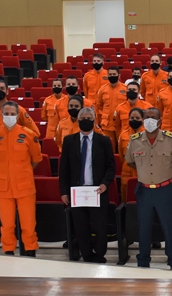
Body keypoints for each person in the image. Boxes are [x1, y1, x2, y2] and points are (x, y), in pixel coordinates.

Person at [125, 107, 172, 269]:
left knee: (169, 227)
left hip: (164, 189)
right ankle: (143, 261)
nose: (149, 120)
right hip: (144, 190)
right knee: (143, 228)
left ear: (160, 121)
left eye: (153, 117)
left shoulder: (170, 139)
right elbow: (130, 161)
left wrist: (166, 171)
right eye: (147, 117)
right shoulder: (135, 140)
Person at [59, 107, 115, 263]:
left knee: (99, 226)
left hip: (97, 190)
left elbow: (111, 166)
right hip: (77, 192)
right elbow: (64, 168)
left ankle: (99, 254)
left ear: (94, 119)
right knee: (81, 226)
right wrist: (64, 191)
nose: (86, 120)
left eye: (89, 117)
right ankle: (87, 254)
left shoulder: (103, 141)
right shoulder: (69, 141)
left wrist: (105, 183)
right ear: (78, 120)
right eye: (82, 117)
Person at [0, 101, 42, 255]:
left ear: (18, 116)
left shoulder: (29, 135)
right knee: (7, 224)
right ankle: (8, 251)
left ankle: (30, 250)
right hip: (4, 188)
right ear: (1, 115)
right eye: (6, 114)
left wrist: (23, 171)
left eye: (12, 114)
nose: (9, 116)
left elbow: (36, 159)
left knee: (28, 223)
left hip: (25, 185)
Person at [0, 79, 39, 144]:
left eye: (2, 88)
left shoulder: (18, 110)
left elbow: (34, 132)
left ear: (7, 91)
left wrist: (21, 142)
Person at [97, 67, 128, 149]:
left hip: (122, 124)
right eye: (110, 74)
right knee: (109, 148)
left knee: (123, 148)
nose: (112, 76)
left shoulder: (125, 88)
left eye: (114, 74)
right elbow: (99, 106)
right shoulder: (102, 89)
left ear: (119, 75)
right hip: (107, 125)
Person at [119, 107, 146, 189]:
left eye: (137, 118)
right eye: (132, 118)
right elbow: (121, 156)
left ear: (143, 119)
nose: (134, 120)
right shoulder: (123, 135)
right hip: (126, 173)